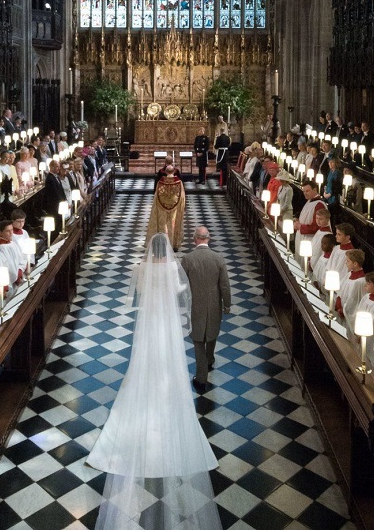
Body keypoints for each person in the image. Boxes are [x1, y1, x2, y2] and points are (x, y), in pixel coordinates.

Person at [87, 233, 221, 530]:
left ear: (150, 250)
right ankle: (166, 390)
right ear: (168, 251)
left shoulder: (141, 268)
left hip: (149, 320)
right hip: (168, 321)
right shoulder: (173, 269)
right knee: (168, 359)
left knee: (144, 358)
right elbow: (178, 292)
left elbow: (134, 295)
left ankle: (147, 390)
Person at [180, 227, 231, 393]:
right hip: (214, 305)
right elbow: (224, 284)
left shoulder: (187, 259)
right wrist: (227, 304)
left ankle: (201, 379)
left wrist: (181, 305)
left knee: (198, 340)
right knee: (211, 334)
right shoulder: (218, 258)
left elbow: (182, 285)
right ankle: (209, 360)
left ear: (195, 239)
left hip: (195, 306)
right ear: (208, 239)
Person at [146, 165, 185, 250]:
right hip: (175, 208)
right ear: (174, 171)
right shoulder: (179, 182)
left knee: (163, 225)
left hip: (161, 207)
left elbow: (156, 196)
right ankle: (174, 244)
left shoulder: (160, 182)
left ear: (166, 172)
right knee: (173, 225)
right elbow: (182, 197)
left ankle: (163, 244)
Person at [335, 249, 366, 339]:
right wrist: (338, 303)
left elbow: (355, 302)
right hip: (342, 310)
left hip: (348, 316)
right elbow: (341, 290)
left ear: (355, 264)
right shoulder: (349, 275)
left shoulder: (360, 282)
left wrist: (343, 310)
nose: (346, 263)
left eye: (348, 261)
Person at [293, 181, 325, 262]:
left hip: (309, 240)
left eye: (307, 191)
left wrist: (300, 226)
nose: (305, 193)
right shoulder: (309, 201)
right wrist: (298, 221)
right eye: (303, 191)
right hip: (302, 238)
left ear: (315, 190)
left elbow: (317, 227)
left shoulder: (319, 204)